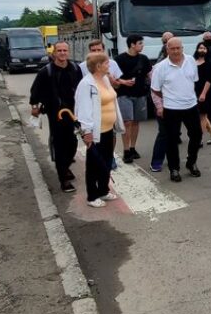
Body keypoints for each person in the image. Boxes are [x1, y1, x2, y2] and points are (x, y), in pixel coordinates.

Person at [29, 41, 83, 192]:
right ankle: (64, 179)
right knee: (59, 144)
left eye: (65, 50)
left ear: (68, 52)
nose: (62, 53)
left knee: (72, 143)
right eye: (59, 50)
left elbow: (81, 88)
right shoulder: (46, 71)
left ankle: (65, 166)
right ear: (54, 53)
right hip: (55, 113)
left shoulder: (75, 68)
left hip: (73, 112)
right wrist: (34, 106)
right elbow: (35, 91)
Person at [74, 52, 124, 207]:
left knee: (107, 161)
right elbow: (83, 109)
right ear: (98, 66)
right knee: (94, 164)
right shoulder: (86, 84)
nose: (109, 65)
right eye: (107, 63)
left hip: (108, 129)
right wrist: (86, 131)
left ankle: (103, 190)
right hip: (96, 131)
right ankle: (92, 196)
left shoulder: (104, 79)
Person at [150, 37, 203, 182]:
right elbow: (155, 89)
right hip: (171, 108)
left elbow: (194, 81)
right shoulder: (161, 67)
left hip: (191, 106)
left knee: (197, 135)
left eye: (178, 48)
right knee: (171, 140)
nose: (175, 51)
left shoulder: (191, 61)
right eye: (172, 48)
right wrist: (165, 100)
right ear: (167, 50)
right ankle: (174, 169)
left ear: (182, 48)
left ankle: (191, 163)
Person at [114, 34, 152, 164]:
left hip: (140, 94)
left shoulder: (144, 59)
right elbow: (113, 77)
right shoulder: (119, 59)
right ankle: (126, 150)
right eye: (140, 43)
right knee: (127, 122)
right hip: (124, 94)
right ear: (132, 44)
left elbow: (149, 74)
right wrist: (124, 82)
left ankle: (132, 147)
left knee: (136, 122)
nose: (142, 46)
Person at [194, 42, 211, 145]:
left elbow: (209, 80)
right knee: (201, 116)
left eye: (204, 48)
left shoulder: (209, 63)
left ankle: (199, 139)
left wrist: (203, 94)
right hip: (194, 91)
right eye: (200, 48)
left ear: (207, 51)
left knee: (202, 116)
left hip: (204, 91)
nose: (202, 50)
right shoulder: (193, 62)